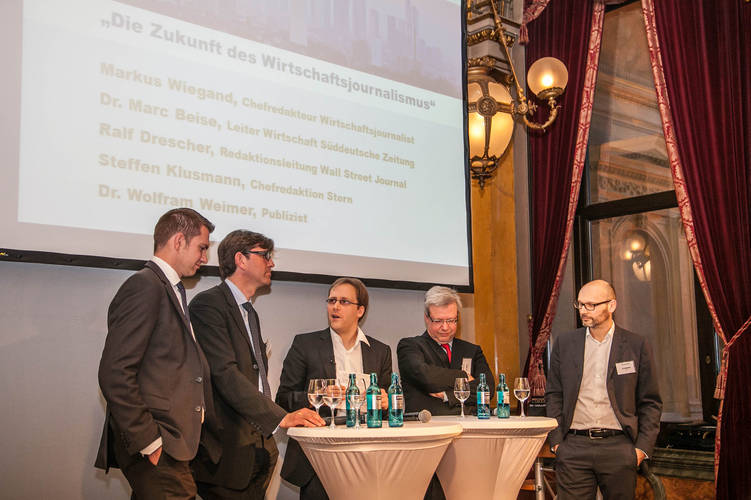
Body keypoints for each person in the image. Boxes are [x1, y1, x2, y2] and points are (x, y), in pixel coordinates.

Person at [188, 230, 324, 500]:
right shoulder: (208, 305)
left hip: (258, 447)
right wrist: (281, 417)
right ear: (241, 259)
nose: (271, 263)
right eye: (265, 256)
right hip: (227, 453)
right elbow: (224, 374)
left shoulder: (249, 312)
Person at [96, 208, 221, 499]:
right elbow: (115, 372)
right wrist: (149, 441)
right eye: (202, 248)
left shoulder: (168, 288)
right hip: (158, 440)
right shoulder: (145, 285)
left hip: (175, 441)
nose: (205, 258)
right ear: (179, 241)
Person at [276, 277, 392, 500]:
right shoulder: (305, 345)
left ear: (360, 310)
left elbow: (386, 410)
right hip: (318, 458)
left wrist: (385, 403)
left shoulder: (380, 351)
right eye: (331, 300)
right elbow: (283, 398)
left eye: (344, 302)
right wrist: (317, 396)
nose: (335, 307)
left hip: (367, 455)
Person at [545, 279, 662, 500]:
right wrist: (558, 443)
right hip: (574, 447)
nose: (583, 311)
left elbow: (650, 402)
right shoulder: (565, 343)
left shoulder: (636, 345)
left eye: (591, 305)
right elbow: (554, 395)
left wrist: (641, 450)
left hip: (619, 447)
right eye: (580, 304)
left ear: (612, 305)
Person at [397, 285, 494, 500]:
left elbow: (487, 389)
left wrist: (446, 395)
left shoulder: (471, 350)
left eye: (451, 320)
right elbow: (425, 376)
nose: (445, 327)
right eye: (438, 321)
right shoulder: (410, 346)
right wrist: (462, 376)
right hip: (427, 440)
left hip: (467, 441)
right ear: (426, 318)